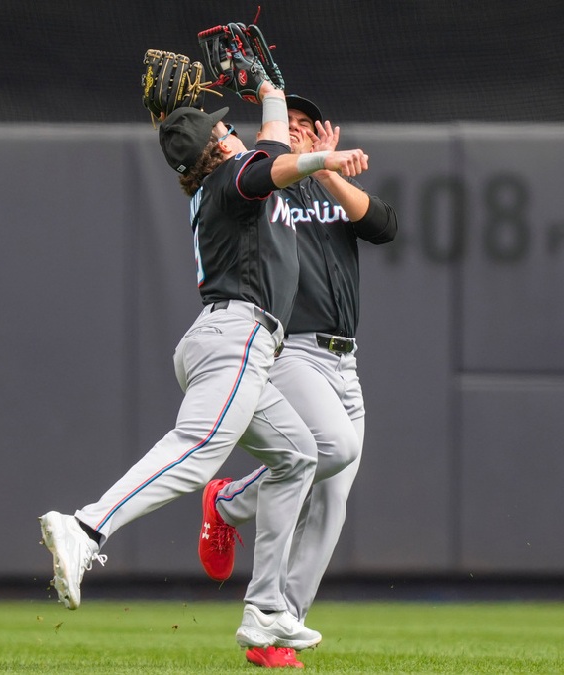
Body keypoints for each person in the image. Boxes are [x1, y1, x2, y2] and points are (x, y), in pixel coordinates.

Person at [38, 79, 375, 653]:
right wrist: (325, 157)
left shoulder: (220, 175)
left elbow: (267, 147)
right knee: (195, 451)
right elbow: (272, 165)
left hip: (226, 337)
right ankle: (86, 526)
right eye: (222, 128)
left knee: (298, 457)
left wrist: (272, 88)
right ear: (218, 149)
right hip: (239, 336)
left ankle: (266, 610)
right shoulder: (233, 178)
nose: (231, 128)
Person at [197, 94, 398, 668]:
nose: (303, 133)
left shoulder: (332, 193)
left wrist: (331, 173)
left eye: (311, 126)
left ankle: (277, 629)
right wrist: (292, 157)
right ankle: (231, 499)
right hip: (293, 349)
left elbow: (384, 226)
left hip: (344, 360)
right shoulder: (266, 185)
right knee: (333, 447)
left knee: (332, 497)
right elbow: (260, 177)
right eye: (294, 125)